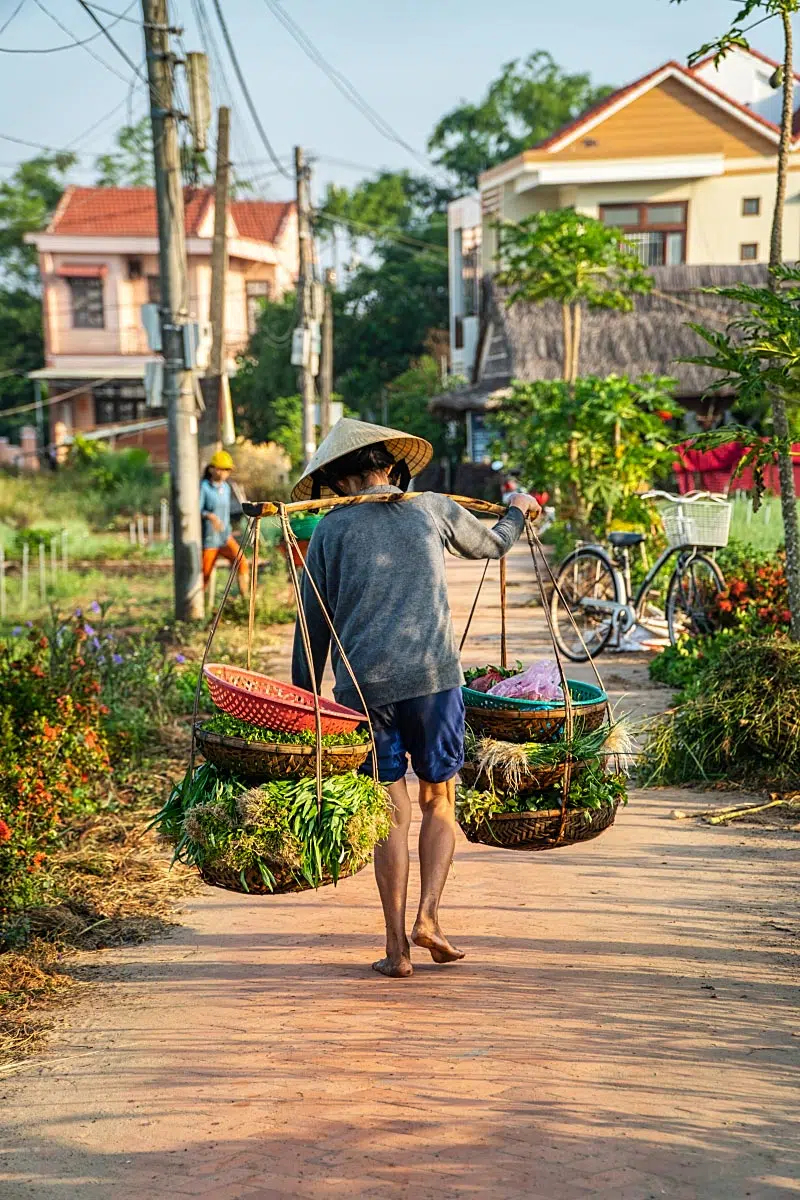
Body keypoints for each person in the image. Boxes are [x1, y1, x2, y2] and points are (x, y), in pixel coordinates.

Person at [290, 419, 539, 979]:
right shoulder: (431, 508)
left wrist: (303, 706)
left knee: (387, 815)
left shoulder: (329, 531)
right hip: (432, 680)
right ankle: (430, 916)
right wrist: (519, 508)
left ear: (337, 480)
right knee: (438, 802)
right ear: (392, 469)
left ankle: (396, 950)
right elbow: (494, 543)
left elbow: (312, 628)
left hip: (363, 690)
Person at [200, 450, 250, 599]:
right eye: (221, 468)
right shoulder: (204, 487)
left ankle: (244, 600)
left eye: (227, 470)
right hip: (209, 540)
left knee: (242, 563)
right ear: (211, 469)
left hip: (224, 536)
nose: (223, 473)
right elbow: (197, 509)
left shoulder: (226, 488)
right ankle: (199, 610)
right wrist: (210, 516)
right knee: (204, 576)